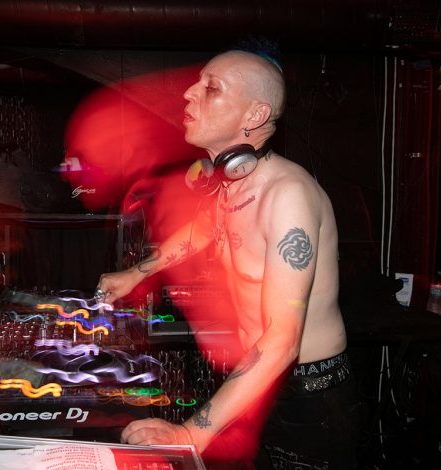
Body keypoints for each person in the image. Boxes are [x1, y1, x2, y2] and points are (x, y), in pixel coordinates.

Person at [97, 49, 360, 468]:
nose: (188, 93)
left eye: (211, 87)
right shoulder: (230, 184)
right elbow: (201, 230)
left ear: (255, 114)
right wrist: (136, 273)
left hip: (308, 397)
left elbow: (282, 343)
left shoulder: (287, 196)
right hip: (255, 383)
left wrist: (191, 434)